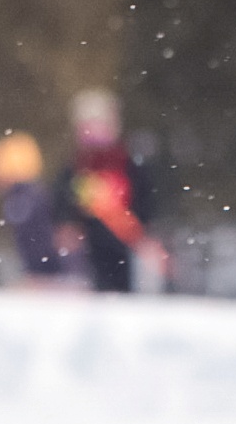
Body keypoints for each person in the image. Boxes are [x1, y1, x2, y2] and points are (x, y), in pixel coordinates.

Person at [58, 89, 166, 294]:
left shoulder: (128, 163)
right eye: (87, 125)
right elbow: (63, 201)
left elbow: (145, 199)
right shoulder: (75, 166)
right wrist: (68, 224)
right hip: (89, 248)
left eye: (99, 124)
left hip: (127, 246)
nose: (92, 131)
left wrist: (146, 231)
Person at [0, 132, 79, 284]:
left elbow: (37, 241)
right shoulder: (33, 194)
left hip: (49, 277)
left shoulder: (22, 200)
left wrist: (38, 274)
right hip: (55, 274)